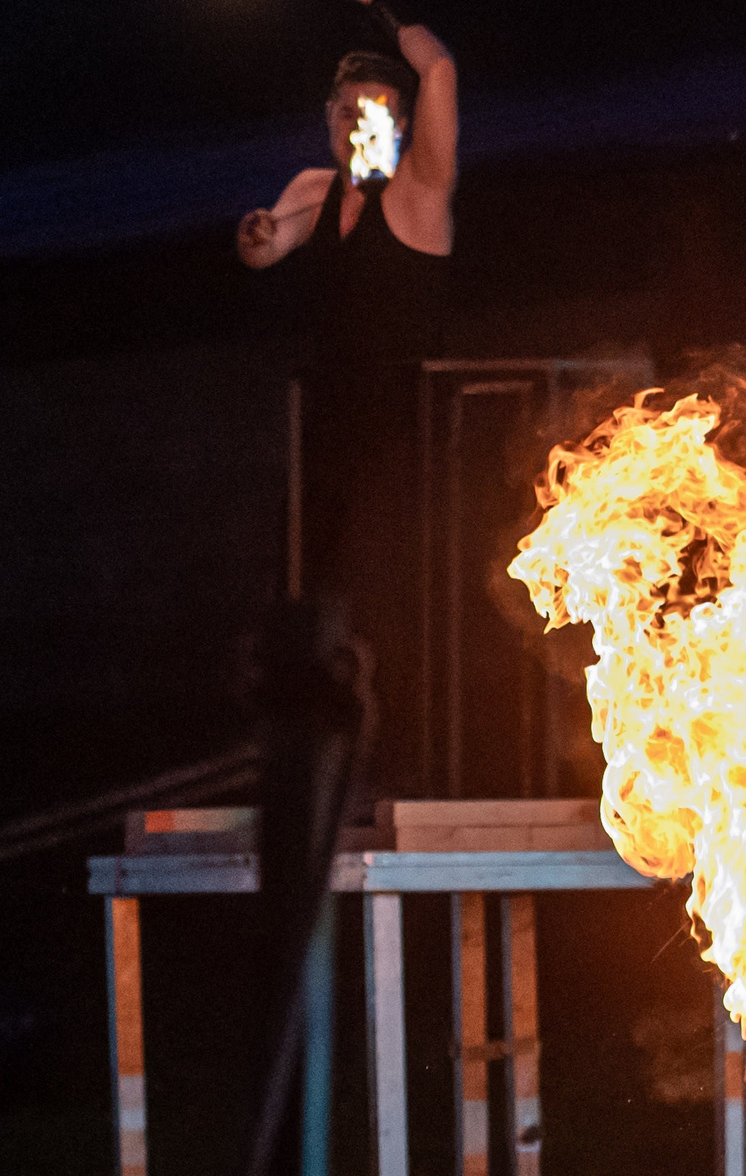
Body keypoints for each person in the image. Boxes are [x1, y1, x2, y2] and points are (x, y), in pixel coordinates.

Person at [237, 0, 457, 790]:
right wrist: (259, 233)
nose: (357, 127)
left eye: (375, 114)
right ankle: (322, 766)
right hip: (329, 421)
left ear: (397, 123)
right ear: (330, 119)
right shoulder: (314, 187)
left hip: (402, 433)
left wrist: (384, 12)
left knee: (387, 596)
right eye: (345, 114)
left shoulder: (418, 189)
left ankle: (400, 766)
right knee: (312, 595)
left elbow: (439, 69)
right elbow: (265, 246)